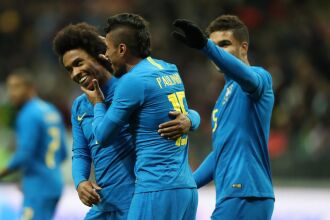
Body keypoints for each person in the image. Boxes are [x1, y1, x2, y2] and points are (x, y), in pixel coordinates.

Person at [53, 22, 200, 220]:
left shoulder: (127, 87)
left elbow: (171, 109)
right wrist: (80, 182)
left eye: (79, 63)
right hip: (103, 203)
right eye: (69, 69)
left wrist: (190, 119)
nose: (75, 73)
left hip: (134, 201)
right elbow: (80, 151)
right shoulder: (80, 105)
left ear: (99, 55)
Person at [172, 15, 275, 219]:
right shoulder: (223, 97)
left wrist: (206, 46)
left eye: (225, 44)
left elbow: (248, 78)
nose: (217, 51)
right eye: (215, 45)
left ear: (243, 48)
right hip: (234, 195)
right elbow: (220, 153)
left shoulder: (259, 76)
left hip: (246, 192)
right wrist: (187, 185)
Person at [0, 70, 67, 220]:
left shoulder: (28, 114)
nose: (12, 93)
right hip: (54, 183)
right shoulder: (51, 110)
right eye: (10, 87)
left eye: (17, 87)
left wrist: (3, 172)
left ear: (30, 88)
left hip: (38, 187)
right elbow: (62, 152)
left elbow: (24, 154)